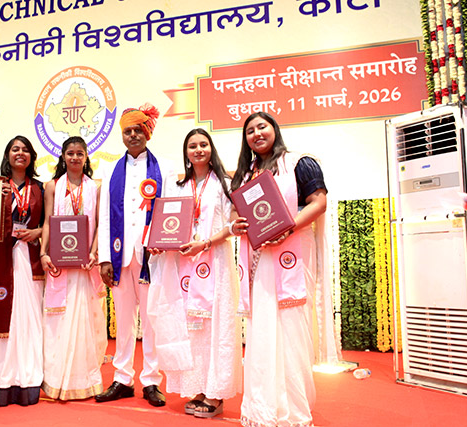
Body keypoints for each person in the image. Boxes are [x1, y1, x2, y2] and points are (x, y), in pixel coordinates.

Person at [232, 112, 327, 427]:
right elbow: (237, 214)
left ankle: (293, 412)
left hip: (291, 257)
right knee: (262, 331)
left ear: (274, 129)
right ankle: (263, 408)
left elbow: (318, 203)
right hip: (259, 260)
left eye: (262, 126)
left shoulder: (300, 163)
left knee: (289, 330)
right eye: (250, 130)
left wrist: (287, 228)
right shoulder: (247, 174)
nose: (257, 133)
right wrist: (237, 224)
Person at [147, 128, 241, 418]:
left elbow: (234, 223)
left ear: (211, 149)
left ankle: (215, 392)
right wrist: (159, 244)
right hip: (185, 264)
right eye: (192, 146)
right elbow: (168, 225)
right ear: (186, 153)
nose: (198, 150)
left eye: (203, 144)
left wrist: (207, 242)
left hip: (216, 261)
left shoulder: (226, 183)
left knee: (216, 328)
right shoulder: (177, 187)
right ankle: (199, 387)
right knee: (191, 329)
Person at [96, 104, 174, 407]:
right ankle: (122, 379)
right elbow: (105, 216)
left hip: (151, 257)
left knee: (152, 320)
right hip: (119, 257)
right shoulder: (110, 169)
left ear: (147, 133)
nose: (132, 135)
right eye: (127, 131)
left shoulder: (164, 167)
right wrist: (105, 257)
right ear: (122, 135)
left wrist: (163, 244)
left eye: (137, 130)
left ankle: (152, 380)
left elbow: (169, 211)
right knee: (124, 321)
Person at [0, 135, 45, 407]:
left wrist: (37, 232)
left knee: (29, 320)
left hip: (31, 262)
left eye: (25, 149)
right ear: (7, 155)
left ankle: (28, 380)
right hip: (3, 261)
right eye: (15, 149)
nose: (20, 153)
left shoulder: (40, 188)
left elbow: (48, 224)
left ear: (32, 156)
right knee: (4, 318)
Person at [39, 136, 107, 400]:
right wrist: (44, 253)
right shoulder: (52, 186)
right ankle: (55, 379)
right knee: (59, 321)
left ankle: (84, 379)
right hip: (60, 266)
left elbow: (99, 224)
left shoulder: (95, 187)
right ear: (63, 156)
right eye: (70, 153)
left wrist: (93, 253)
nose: (75, 157)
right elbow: (47, 222)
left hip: (85, 266)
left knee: (86, 322)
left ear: (86, 156)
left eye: (80, 153)